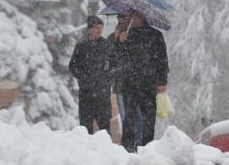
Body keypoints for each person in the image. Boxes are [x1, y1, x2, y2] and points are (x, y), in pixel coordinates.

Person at [119, 10, 169, 152]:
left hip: (148, 83)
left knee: (148, 117)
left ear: (140, 17)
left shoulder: (155, 35)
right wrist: (120, 41)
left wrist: (162, 81)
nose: (129, 19)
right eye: (129, 16)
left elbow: (162, 60)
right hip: (130, 83)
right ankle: (127, 148)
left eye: (131, 16)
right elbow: (118, 58)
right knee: (129, 117)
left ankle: (146, 147)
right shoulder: (127, 35)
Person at [69, 15, 111, 134]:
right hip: (86, 93)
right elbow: (72, 66)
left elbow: (115, 64)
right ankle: (86, 151)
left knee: (105, 130)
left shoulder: (106, 44)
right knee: (85, 129)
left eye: (101, 27)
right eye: (97, 27)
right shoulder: (81, 45)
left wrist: (106, 77)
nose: (99, 30)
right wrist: (84, 78)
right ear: (90, 28)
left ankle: (107, 151)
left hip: (103, 93)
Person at [107, 14, 144, 145]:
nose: (123, 23)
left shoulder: (134, 37)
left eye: (125, 21)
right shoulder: (112, 38)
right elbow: (110, 60)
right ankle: (129, 143)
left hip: (135, 83)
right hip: (121, 85)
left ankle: (138, 142)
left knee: (138, 116)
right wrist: (118, 41)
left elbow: (138, 58)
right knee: (125, 116)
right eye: (121, 21)